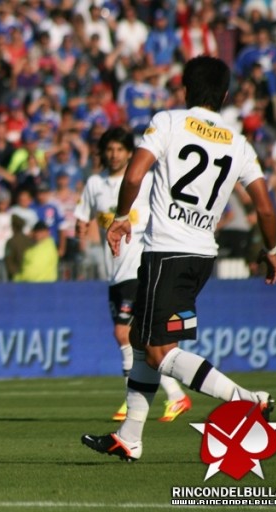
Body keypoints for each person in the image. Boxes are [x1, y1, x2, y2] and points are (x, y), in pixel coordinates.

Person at [82, 56, 276, 462]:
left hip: (166, 251)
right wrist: (271, 250)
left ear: (185, 89)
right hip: (202, 255)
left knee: (158, 351)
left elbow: (135, 175)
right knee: (142, 339)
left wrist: (120, 219)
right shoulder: (239, 143)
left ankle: (245, 400)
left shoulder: (170, 121)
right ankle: (130, 435)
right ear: (224, 96)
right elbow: (264, 208)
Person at [74, 127, 191, 423]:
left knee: (123, 333)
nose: (114, 155)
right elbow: (83, 217)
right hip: (115, 271)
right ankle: (176, 396)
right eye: (109, 149)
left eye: (119, 150)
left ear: (130, 153)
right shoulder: (95, 184)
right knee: (140, 339)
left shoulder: (147, 180)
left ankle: (134, 398)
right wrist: (81, 230)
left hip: (139, 267)